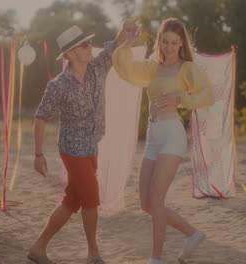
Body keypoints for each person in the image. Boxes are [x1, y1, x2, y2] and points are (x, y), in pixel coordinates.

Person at [112, 18, 215, 264]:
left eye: (174, 43)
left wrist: (180, 98)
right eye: (165, 41)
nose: (169, 47)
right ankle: (192, 233)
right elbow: (125, 69)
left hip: (172, 135)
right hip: (152, 136)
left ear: (181, 44)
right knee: (146, 203)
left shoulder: (186, 68)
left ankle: (155, 259)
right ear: (159, 40)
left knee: (156, 199)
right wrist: (127, 42)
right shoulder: (152, 67)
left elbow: (208, 94)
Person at [27, 24, 127, 264]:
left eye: (89, 43)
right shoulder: (58, 85)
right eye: (84, 45)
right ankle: (93, 253)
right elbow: (40, 117)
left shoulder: (98, 68)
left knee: (73, 200)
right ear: (70, 54)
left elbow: (116, 43)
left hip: (92, 145)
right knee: (91, 198)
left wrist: (127, 30)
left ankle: (38, 248)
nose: (90, 47)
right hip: (72, 149)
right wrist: (38, 154)